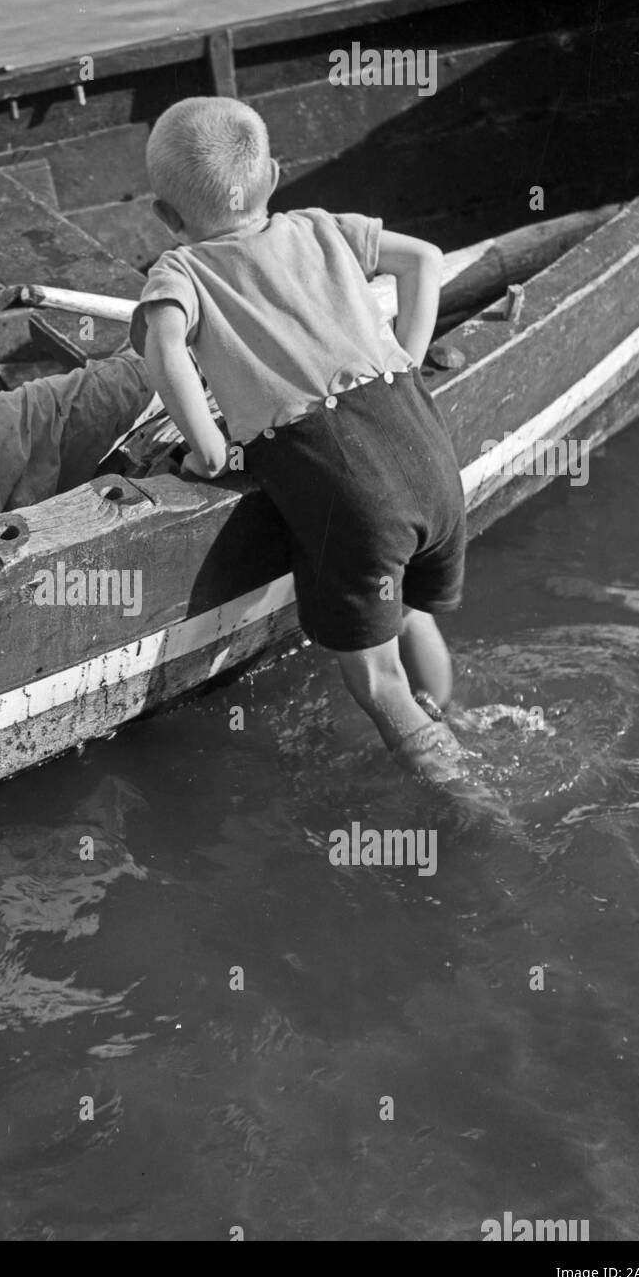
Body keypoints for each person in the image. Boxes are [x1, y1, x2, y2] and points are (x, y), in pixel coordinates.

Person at [132, 96, 471, 781]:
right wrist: (405, 356)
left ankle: (469, 803)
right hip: (430, 451)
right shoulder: (324, 227)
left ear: (166, 217)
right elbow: (426, 260)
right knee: (411, 617)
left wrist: (207, 448)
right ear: (276, 175)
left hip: (348, 486)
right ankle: (452, 719)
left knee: (379, 686)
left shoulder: (182, 272)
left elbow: (162, 346)